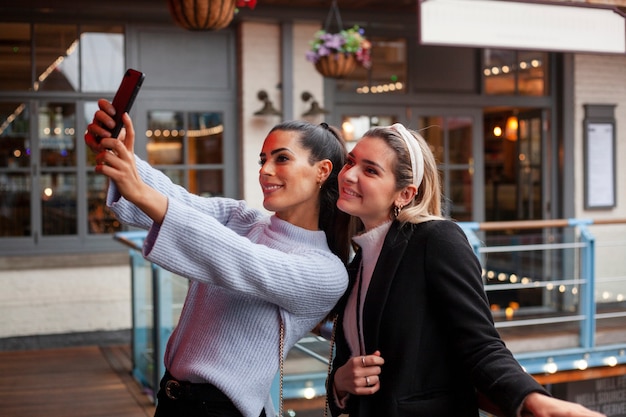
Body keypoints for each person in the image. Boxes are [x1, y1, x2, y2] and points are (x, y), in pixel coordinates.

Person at [85, 99, 351, 417]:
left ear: (322, 171)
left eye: (282, 159)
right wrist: (120, 155)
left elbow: (239, 258)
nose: (265, 171)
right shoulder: (242, 218)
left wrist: (139, 189)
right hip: (172, 397)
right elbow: (177, 201)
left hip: (220, 410)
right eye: (263, 159)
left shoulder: (326, 271)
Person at [326, 123, 605, 417]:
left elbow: (481, 345)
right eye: (351, 161)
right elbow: (352, 354)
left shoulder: (435, 239)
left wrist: (536, 401)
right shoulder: (360, 260)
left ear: (405, 194)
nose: (349, 175)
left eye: (370, 170)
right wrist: (339, 384)